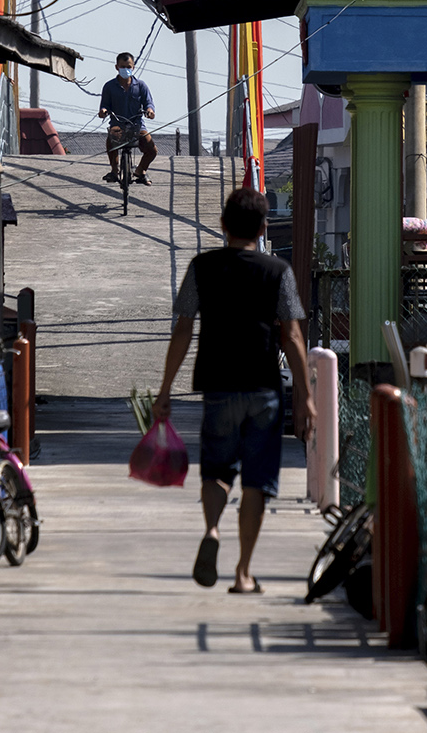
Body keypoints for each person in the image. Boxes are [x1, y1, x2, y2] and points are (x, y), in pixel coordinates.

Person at [152, 187, 316, 594]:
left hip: (218, 385)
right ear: (263, 228)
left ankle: (211, 529)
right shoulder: (277, 271)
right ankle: (243, 572)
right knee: (257, 482)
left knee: (217, 470)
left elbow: (184, 329)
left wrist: (165, 389)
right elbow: (292, 335)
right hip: (263, 388)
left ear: (223, 225)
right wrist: (306, 395)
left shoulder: (202, 267)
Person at [98, 52, 157, 185]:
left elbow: (149, 103)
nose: (126, 70)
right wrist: (103, 111)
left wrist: (150, 111)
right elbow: (104, 105)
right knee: (111, 142)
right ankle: (114, 171)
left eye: (128, 66)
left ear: (133, 67)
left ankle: (141, 171)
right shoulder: (109, 86)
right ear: (117, 67)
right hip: (117, 125)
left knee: (152, 150)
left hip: (137, 126)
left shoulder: (141, 86)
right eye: (123, 67)